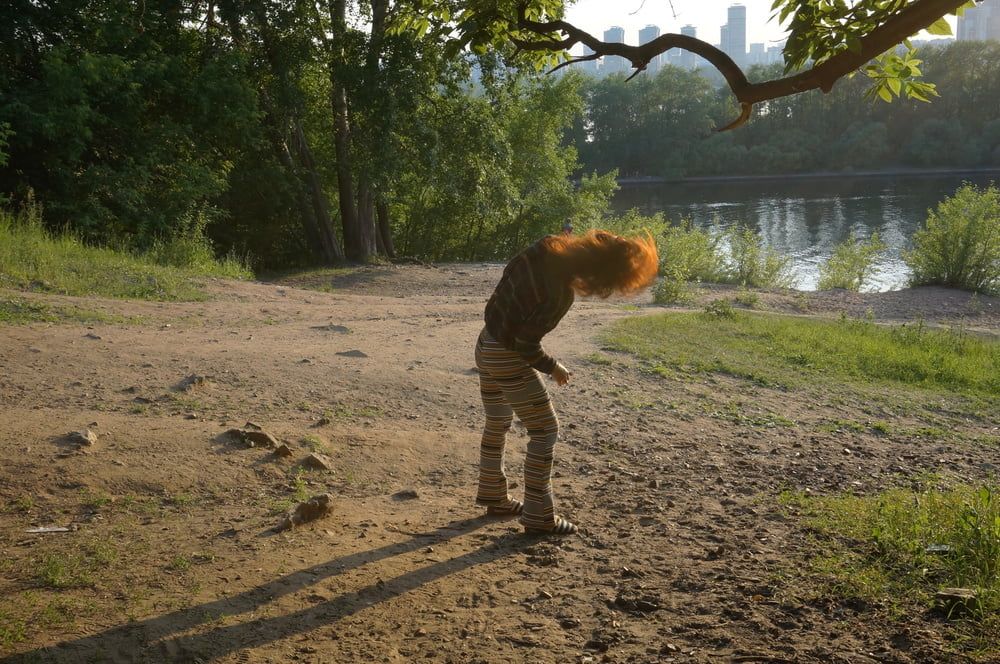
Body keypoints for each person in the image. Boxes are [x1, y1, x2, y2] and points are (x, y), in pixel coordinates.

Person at [474, 230, 659, 534]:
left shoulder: (543, 246)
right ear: (599, 276)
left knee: (498, 422)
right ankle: (539, 516)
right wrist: (554, 367)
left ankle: (494, 495)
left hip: (485, 343)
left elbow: (509, 282)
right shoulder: (559, 294)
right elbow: (525, 345)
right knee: (545, 430)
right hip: (506, 355)